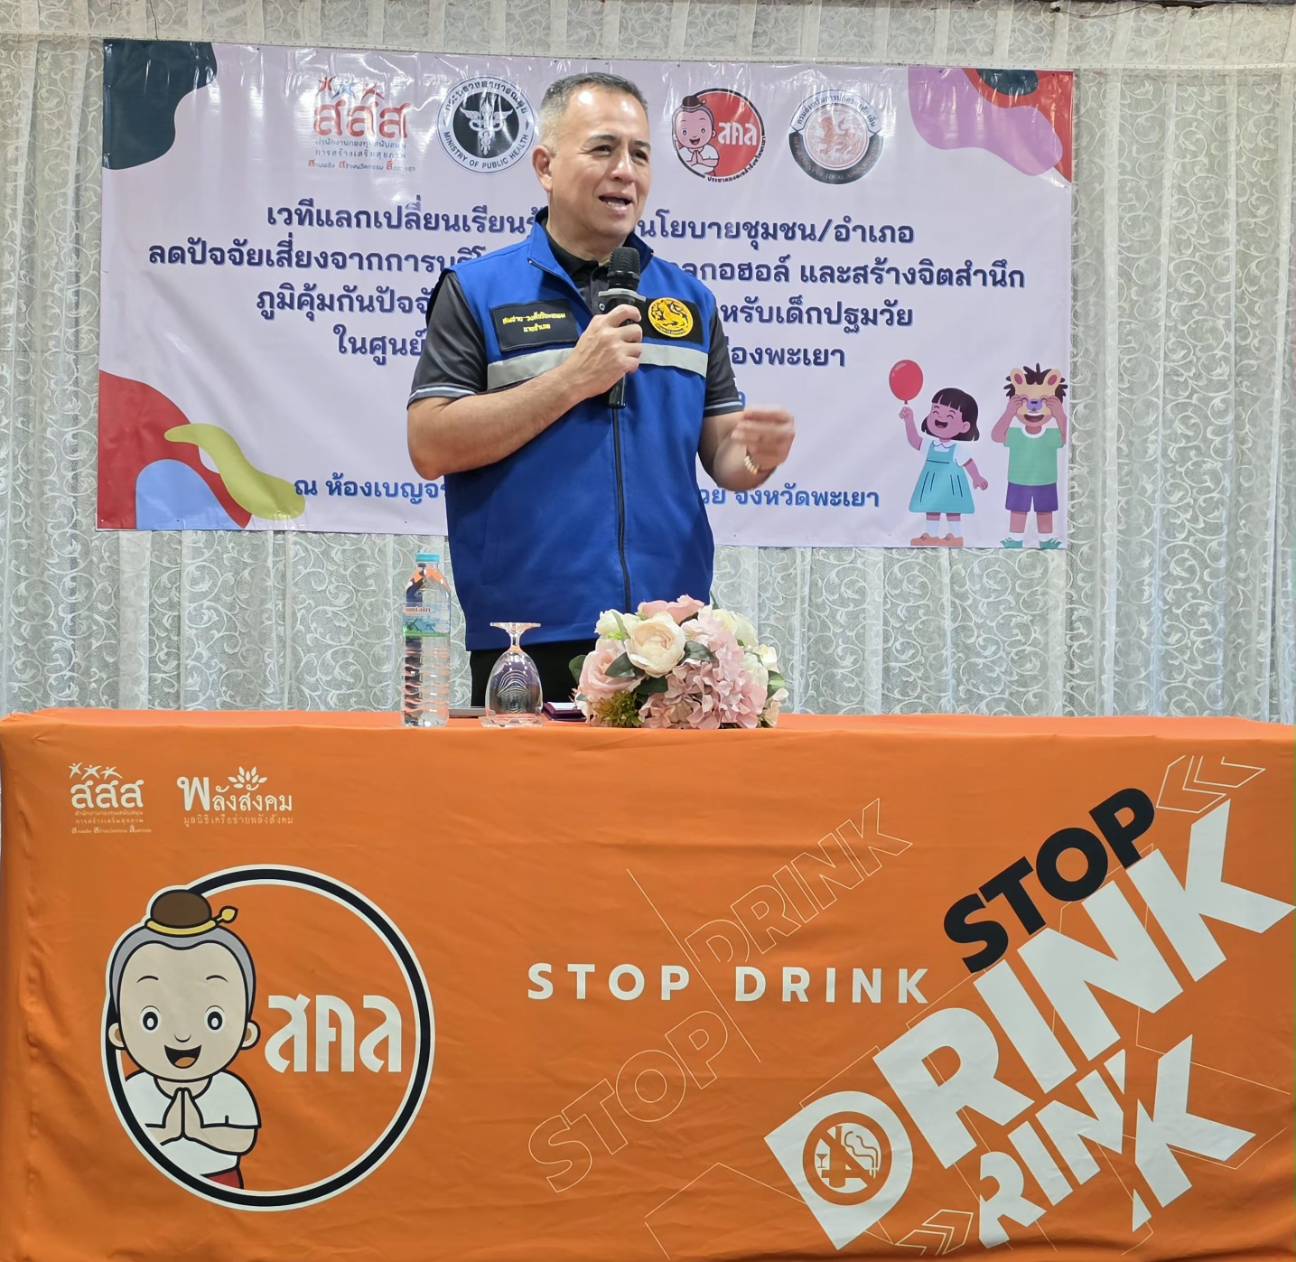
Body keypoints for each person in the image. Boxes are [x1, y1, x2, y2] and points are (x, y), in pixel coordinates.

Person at [407, 73, 795, 706]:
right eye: (603, 149)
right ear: (545, 166)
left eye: (640, 154)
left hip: (673, 640)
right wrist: (572, 380)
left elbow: (724, 455)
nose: (625, 171)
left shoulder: (690, 301)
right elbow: (430, 445)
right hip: (527, 638)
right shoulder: (477, 291)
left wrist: (755, 458)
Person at [107, 888, 261, 1188]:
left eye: (214, 1019)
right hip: (143, 1184)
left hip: (221, 1181)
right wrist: (168, 1131)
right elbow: (122, 1135)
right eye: (150, 1019)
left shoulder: (230, 1089)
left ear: (246, 1033)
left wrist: (197, 1131)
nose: (182, 1036)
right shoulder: (134, 1089)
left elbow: (244, 1139)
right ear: (119, 1033)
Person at [899, 387, 988, 547]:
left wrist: (977, 477)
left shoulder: (957, 448)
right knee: (932, 509)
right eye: (935, 411)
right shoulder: (930, 444)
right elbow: (914, 440)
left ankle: (957, 537)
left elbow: (968, 463)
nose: (940, 418)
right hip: (932, 484)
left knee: (952, 510)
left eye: (949, 415)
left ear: (964, 427)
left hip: (951, 486)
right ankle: (931, 536)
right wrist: (909, 420)